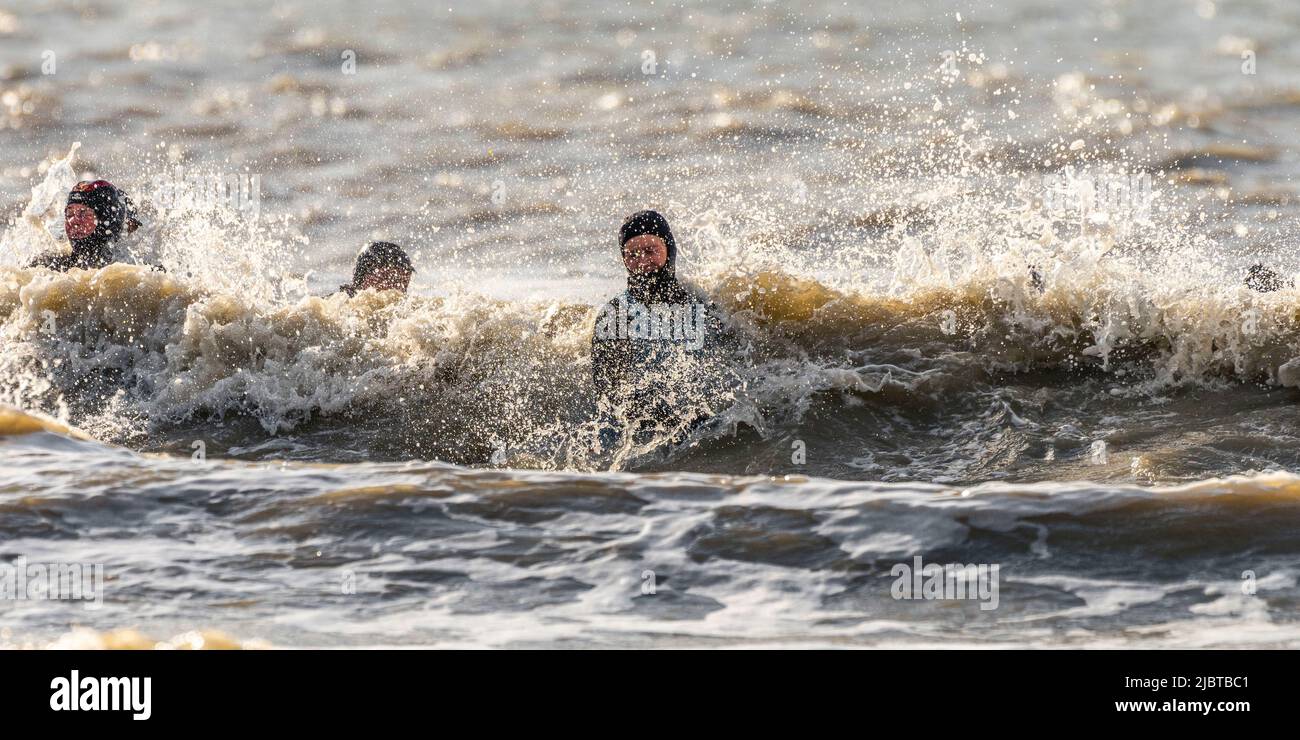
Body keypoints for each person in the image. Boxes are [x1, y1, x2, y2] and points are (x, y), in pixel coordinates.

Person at [591, 210, 739, 445]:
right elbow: (607, 396)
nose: (641, 263)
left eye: (650, 251)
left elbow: (734, 357)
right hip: (645, 435)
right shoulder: (615, 315)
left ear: (669, 250)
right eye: (631, 255)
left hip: (708, 426)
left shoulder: (701, 300)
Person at [29, 180, 141, 271]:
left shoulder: (133, 269)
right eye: (69, 213)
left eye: (83, 213)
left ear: (104, 220)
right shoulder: (46, 266)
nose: (73, 221)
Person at [337, 241, 414, 296]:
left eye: (403, 282)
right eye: (385, 278)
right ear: (362, 277)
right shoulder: (335, 307)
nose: (396, 288)